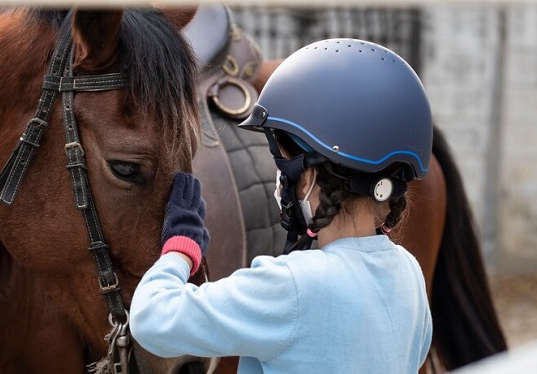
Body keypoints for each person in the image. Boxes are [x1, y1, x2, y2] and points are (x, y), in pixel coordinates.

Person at [130, 38, 433, 373]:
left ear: (310, 177)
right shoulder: (409, 273)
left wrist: (180, 249)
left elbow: (151, 320)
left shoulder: (291, 286)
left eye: (283, 164)